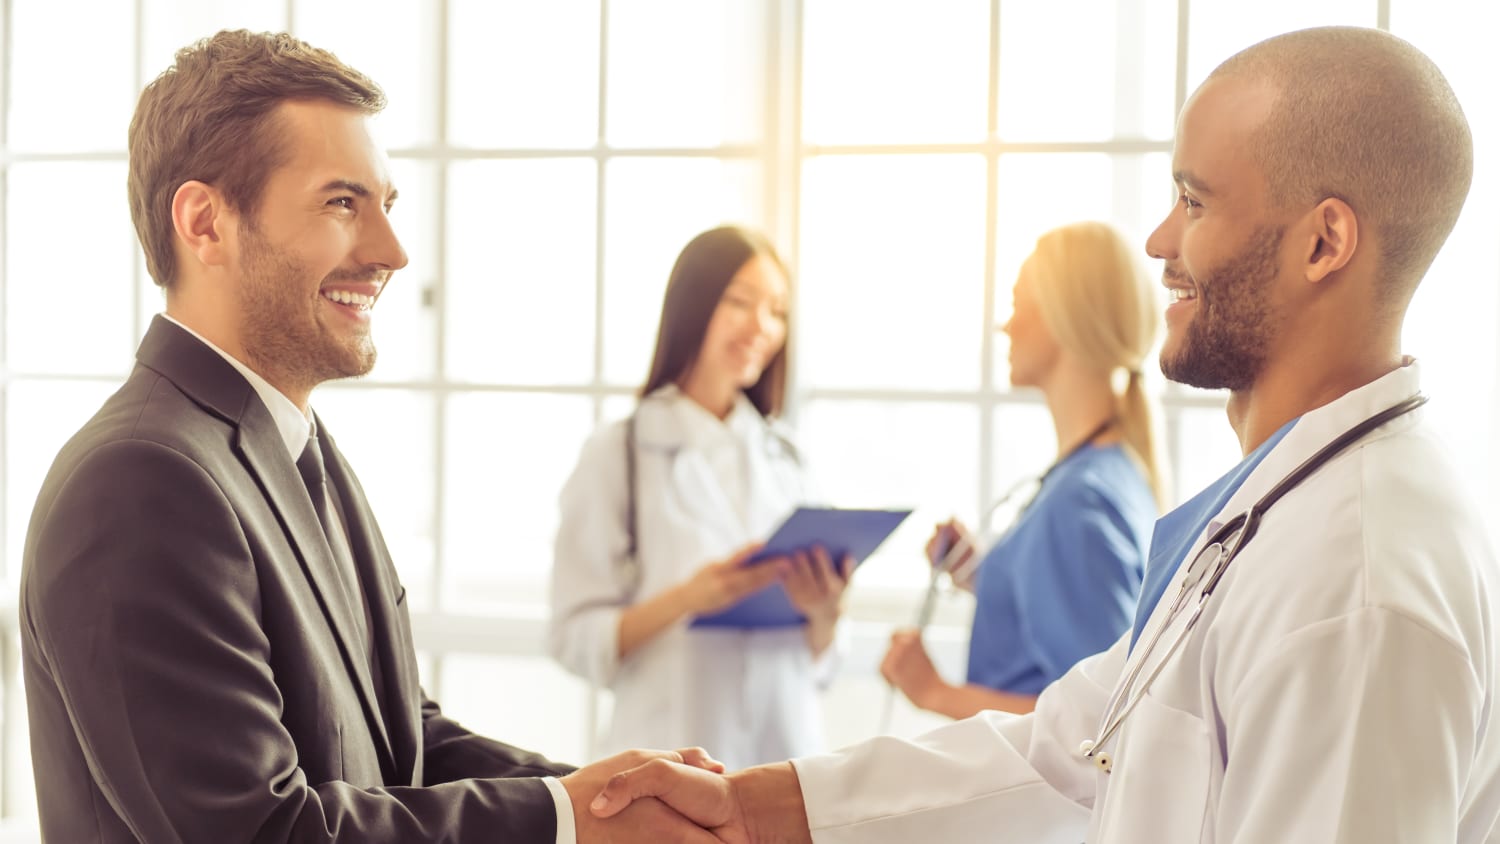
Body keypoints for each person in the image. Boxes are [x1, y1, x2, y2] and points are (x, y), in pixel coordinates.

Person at [586, 26, 1500, 842]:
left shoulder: (1363, 581)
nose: (1156, 241)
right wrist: (754, 806)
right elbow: (1070, 747)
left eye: (1194, 201)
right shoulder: (1279, 512)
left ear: (1323, 243)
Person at [18, 29, 724, 844]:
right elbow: (260, 831)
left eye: (385, 205)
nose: (391, 252)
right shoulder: (139, 481)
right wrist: (569, 820)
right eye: (341, 203)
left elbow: (400, 741)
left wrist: (620, 795)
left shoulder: (295, 449)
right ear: (205, 223)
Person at [550, 226, 851, 771]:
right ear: (694, 306)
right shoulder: (619, 451)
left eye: (777, 310)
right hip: (667, 764)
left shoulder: (789, 458)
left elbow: (821, 663)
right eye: (740, 302)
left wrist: (825, 615)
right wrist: (690, 596)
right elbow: (574, 639)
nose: (763, 326)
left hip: (788, 764)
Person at [880, 221, 1166, 719]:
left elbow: (1098, 721)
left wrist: (934, 692)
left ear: (1063, 317)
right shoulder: (1105, 474)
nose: (1005, 326)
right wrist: (989, 575)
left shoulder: (1079, 502)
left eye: (1017, 305)